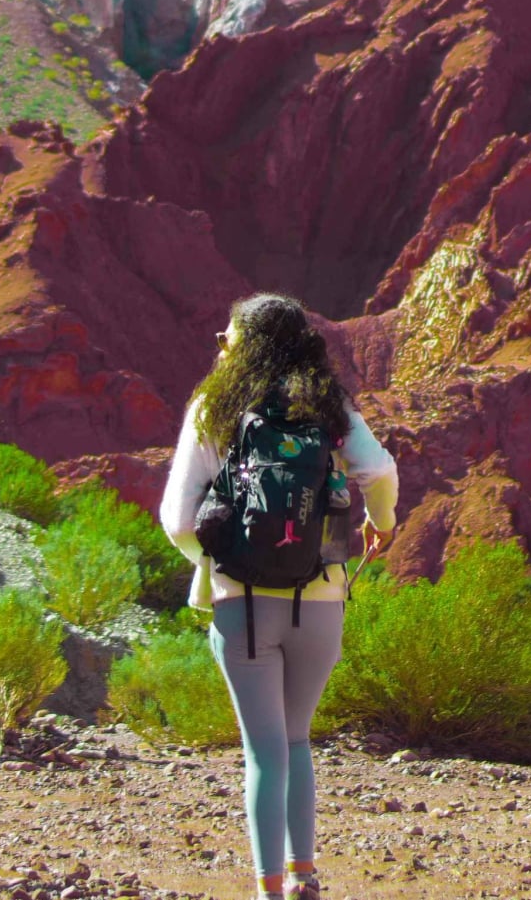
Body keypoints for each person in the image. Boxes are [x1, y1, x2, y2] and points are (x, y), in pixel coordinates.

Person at [160, 293, 398, 900]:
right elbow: (381, 471)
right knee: (296, 739)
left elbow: (176, 519)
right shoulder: (328, 405)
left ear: (246, 345)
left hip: (241, 606)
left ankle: (269, 889)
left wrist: (220, 561)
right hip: (321, 599)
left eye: (229, 335)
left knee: (264, 749)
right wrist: (385, 521)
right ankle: (303, 874)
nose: (220, 343)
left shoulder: (215, 406)